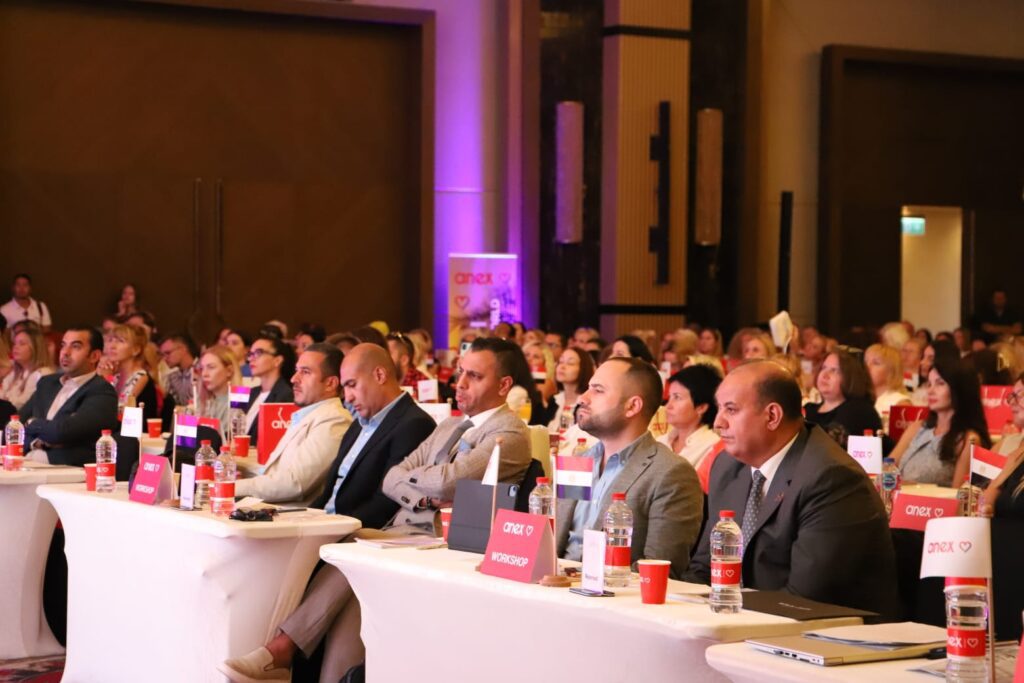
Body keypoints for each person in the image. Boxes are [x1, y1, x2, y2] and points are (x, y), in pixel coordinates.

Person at [220, 337, 531, 683]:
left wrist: (421, 484)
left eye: (474, 376)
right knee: (356, 594)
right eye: (460, 373)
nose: (460, 384)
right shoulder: (448, 426)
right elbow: (391, 478)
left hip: (446, 542)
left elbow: (447, 482)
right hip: (401, 534)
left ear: (504, 385)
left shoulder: (510, 434)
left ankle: (281, 649)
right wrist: (425, 494)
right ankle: (292, 659)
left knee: (354, 554)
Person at [684, 360, 898, 618]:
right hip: (747, 619)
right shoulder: (727, 466)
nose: (718, 422)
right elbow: (704, 568)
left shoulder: (831, 478)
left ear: (772, 416)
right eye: (719, 408)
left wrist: (726, 616)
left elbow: (803, 599)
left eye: (731, 410)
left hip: (824, 630)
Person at [555, 357, 703, 578]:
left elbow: (658, 571)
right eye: (588, 388)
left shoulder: (671, 473)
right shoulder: (579, 461)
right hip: (553, 586)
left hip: (611, 593)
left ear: (632, 406)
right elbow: (553, 541)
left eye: (598, 390)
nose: (583, 398)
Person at [312, 343, 437, 527]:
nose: (348, 397)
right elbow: (328, 494)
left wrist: (333, 528)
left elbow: (386, 503)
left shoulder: (415, 425)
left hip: (354, 532)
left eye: (352, 385)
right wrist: (305, 520)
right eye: (345, 388)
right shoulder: (358, 424)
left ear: (379, 375)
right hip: (325, 525)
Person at [234, 344, 351, 504]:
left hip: (290, 515)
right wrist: (236, 466)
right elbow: (273, 474)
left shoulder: (334, 419)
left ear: (330, 383)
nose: (294, 379)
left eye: (305, 372)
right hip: (272, 510)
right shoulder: (309, 414)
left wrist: (229, 487)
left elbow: (294, 483)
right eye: (297, 370)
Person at [20, 327, 118, 466]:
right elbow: (15, 425)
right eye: (63, 345)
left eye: (76, 346)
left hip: (66, 469)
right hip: (28, 460)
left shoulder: (101, 391)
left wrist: (32, 423)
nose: (65, 352)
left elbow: (62, 432)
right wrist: (36, 442)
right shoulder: (47, 383)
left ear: (94, 356)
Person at [891, 357, 991, 488]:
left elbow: (959, 493)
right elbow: (888, 467)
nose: (930, 391)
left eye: (940, 384)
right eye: (929, 384)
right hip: (898, 497)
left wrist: (912, 487)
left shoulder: (968, 440)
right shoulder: (918, 427)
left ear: (959, 388)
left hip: (932, 500)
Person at [657, 365, 723, 490]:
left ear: (701, 407)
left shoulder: (713, 447)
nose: (668, 406)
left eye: (677, 397)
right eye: (669, 397)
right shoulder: (660, 442)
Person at [804, 350, 882, 448]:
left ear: (851, 377)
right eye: (823, 368)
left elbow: (826, 449)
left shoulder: (859, 410)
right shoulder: (808, 410)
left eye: (834, 370)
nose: (825, 375)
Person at [979, 374, 1024, 518]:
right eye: (1012, 396)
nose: (1012, 402)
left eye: (1020, 395)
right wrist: (985, 504)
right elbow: (976, 488)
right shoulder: (1007, 444)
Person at [244, 334, 296, 445]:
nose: (251, 359)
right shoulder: (252, 392)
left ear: (277, 360)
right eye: (250, 354)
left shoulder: (286, 395)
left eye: (258, 353)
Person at [104, 323, 158, 421]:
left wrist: (106, 380)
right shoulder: (116, 376)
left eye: (121, 341)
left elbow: (120, 413)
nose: (112, 346)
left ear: (136, 350)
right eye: (110, 340)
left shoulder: (140, 377)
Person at [0, 324, 55, 410]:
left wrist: (6, 400)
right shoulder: (16, 372)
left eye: (22, 344)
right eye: (15, 343)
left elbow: (24, 404)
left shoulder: (42, 374)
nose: (16, 347)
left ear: (35, 348)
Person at [863, 343, 910, 431]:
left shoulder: (900, 403)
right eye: (865, 362)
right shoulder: (861, 398)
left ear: (891, 371)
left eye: (876, 363)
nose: (867, 367)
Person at [548, 346, 595, 434]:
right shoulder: (554, 400)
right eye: (561, 362)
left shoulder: (587, 404)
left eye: (570, 363)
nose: (562, 366)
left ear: (583, 369)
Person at [198, 345, 241, 439]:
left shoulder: (239, 401)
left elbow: (230, 439)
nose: (204, 374)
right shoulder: (200, 402)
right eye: (202, 368)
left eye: (211, 367)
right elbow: (185, 442)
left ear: (229, 371)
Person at [159, 332, 199, 410]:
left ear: (183, 349)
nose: (164, 358)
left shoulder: (203, 371)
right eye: (162, 355)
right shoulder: (170, 377)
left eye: (168, 353)